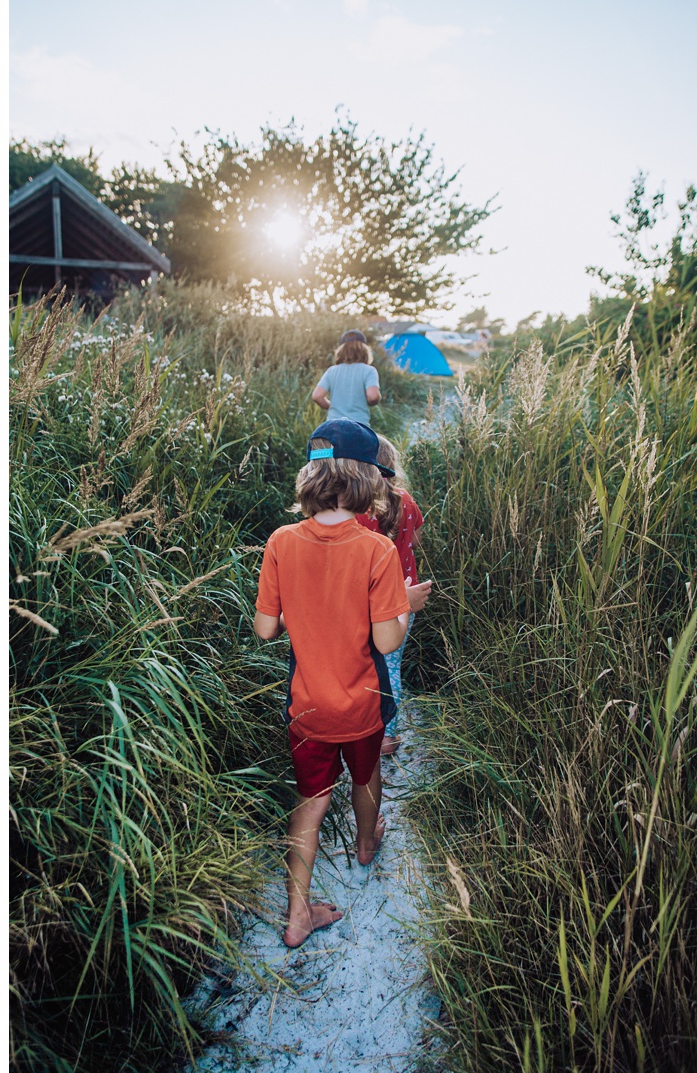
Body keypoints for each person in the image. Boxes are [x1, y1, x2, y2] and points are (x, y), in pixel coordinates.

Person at [253, 419, 410, 948]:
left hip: (307, 706)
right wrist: (405, 607)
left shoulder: (281, 540)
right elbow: (388, 643)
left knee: (311, 802)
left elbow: (266, 628)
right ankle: (367, 845)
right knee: (365, 778)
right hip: (362, 704)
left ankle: (298, 915)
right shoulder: (375, 550)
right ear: (367, 478)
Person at [356, 433, 431, 755]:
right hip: (405, 597)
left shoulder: (357, 510)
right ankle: (387, 735)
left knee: (362, 661)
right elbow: (415, 541)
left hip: (366, 600)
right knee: (391, 665)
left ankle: (359, 723)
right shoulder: (406, 501)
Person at [311, 329, 380, 426]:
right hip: (359, 426)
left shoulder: (332, 371)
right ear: (364, 350)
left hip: (333, 425)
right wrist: (375, 400)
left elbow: (317, 396)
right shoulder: (369, 371)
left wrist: (332, 406)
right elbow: (373, 397)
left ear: (341, 350)